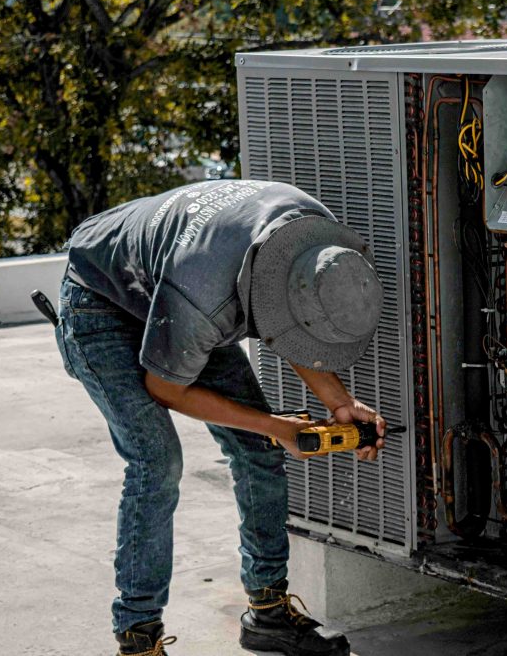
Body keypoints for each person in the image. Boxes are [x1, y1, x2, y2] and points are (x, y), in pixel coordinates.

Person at [55, 179, 387, 656]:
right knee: (157, 461)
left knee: (258, 452)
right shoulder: (204, 297)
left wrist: (339, 403)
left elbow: (292, 319)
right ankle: (137, 637)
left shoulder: (314, 238)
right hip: (100, 301)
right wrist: (277, 427)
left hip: (176, 283)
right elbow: (167, 388)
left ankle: (268, 614)